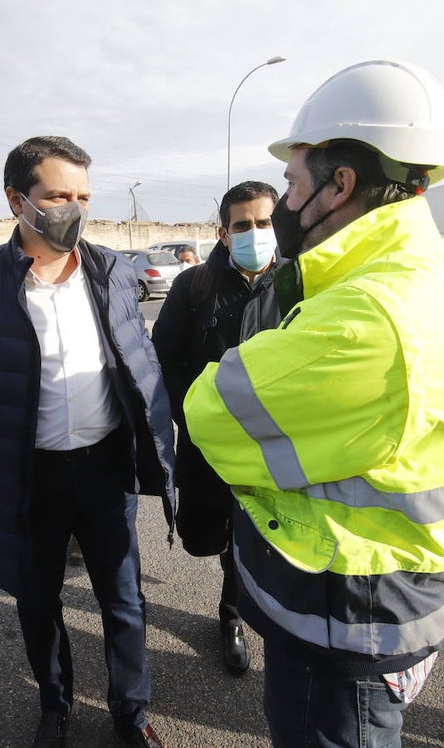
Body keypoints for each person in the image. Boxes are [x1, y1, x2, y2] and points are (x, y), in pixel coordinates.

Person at [183, 59, 444, 747]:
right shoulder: (419, 266)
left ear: (340, 185)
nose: (282, 205)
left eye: (292, 184)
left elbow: (212, 408)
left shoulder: (365, 313)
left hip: (350, 625)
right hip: (397, 593)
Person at [0, 136, 176, 748]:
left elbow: (139, 361)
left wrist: (162, 444)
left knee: (123, 603)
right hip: (25, 475)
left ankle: (132, 712)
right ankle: (54, 706)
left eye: (83, 197)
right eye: (58, 195)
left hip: (103, 469)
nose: (73, 208)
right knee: (37, 601)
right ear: (17, 200)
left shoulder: (114, 271)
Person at [151, 180, 283, 676]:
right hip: (208, 443)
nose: (254, 232)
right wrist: (194, 415)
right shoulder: (194, 286)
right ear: (223, 233)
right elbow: (163, 358)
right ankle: (237, 590)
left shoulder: (300, 283)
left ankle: (234, 615)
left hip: (273, 448)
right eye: (242, 225)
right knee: (207, 534)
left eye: (264, 222)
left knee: (258, 533)